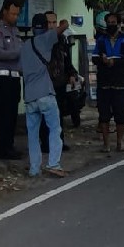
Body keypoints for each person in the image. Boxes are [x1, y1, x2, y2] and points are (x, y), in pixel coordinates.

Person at [20, 13, 70, 177]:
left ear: (33, 28)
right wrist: (55, 26)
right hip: (45, 93)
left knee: (33, 135)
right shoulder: (47, 38)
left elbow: (20, 70)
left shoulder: (25, 45)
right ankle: (54, 164)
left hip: (29, 97)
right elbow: (65, 24)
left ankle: (35, 169)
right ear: (46, 26)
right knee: (55, 129)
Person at [93, 11, 124, 152]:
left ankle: (120, 142)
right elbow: (94, 58)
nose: (111, 25)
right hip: (104, 82)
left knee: (119, 114)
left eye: (113, 22)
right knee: (104, 114)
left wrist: (114, 61)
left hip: (120, 82)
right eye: (108, 23)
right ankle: (106, 144)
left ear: (118, 24)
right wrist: (103, 60)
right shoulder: (101, 40)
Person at [37, 11, 79, 153]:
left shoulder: (62, 40)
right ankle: (46, 144)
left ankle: (58, 142)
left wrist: (72, 74)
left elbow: (67, 61)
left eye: (54, 22)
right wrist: (64, 26)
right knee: (44, 116)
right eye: (48, 23)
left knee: (58, 115)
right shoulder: (40, 39)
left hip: (59, 83)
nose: (51, 25)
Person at [0, 2, 24, 160]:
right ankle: (5, 149)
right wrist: (18, 52)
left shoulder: (15, 31)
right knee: (4, 113)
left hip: (15, 78)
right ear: (5, 12)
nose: (15, 17)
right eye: (12, 14)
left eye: (17, 14)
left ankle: (6, 144)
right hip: (2, 78)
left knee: (12, 113)